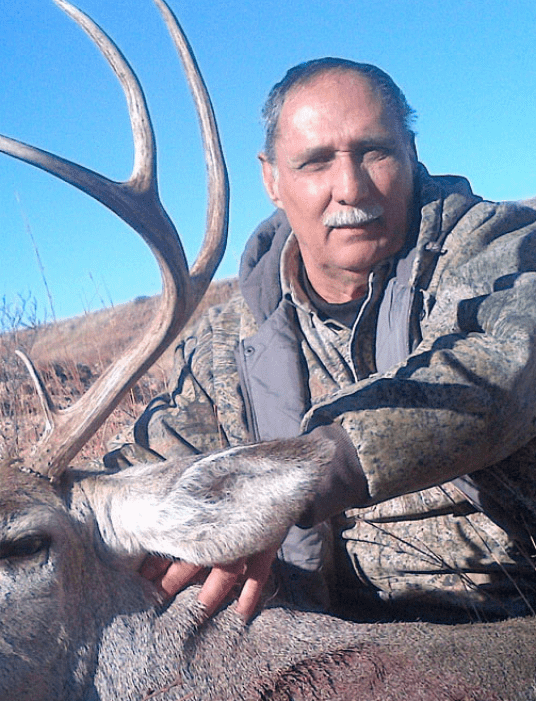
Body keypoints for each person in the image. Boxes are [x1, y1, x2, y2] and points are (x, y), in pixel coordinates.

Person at [105, 57, 536, 623]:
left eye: (374, 152)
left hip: (514, 607)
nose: (350, 188)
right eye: (315, 162)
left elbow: (509, 365)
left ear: (411, 151)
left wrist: (288, 484)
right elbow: (150, 464)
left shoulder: (497, 247)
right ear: (272, 179)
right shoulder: (226, 342)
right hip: (329, 632)